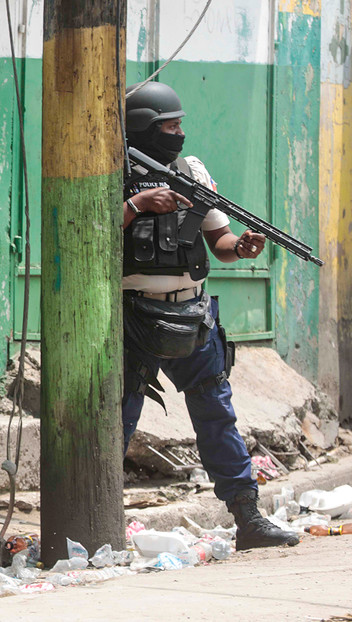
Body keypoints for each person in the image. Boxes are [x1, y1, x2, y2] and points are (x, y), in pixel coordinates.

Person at [121, 81, 298, 550]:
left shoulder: (189, 170)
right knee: (117, 420)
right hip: (133, 318)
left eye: (180, 125)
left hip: (193, 314)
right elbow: (88, 230)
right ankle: (96, 522)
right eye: (169, 127)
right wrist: (138, 204)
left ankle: (248, 518)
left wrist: (241, 247)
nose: (179, 134)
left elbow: (219, 242)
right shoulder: (110, 169)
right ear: (142, 127)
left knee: (217, 415)